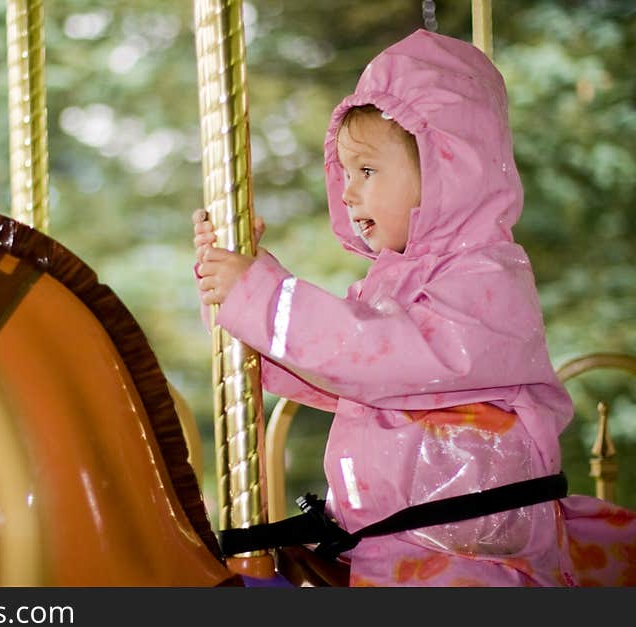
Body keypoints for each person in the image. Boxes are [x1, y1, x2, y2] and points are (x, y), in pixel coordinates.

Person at [193, 28, 636, 586]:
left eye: (368, 171)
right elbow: (333, 372)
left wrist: (263, 297)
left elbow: (382, 357)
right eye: (346, 173)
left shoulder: (488, 278)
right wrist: (240, 291)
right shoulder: (389, 284)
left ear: (444, 170)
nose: (348, 192)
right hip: (398, 544)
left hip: (473, 555)